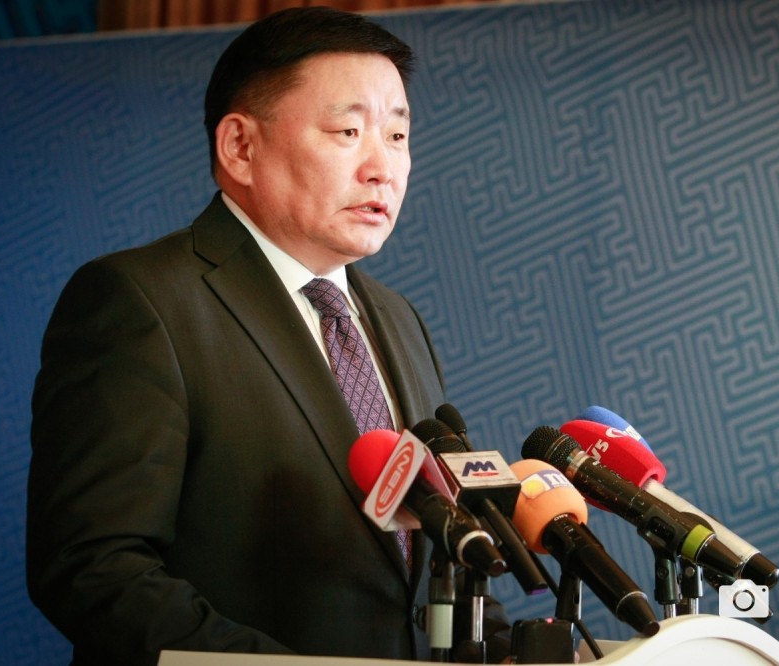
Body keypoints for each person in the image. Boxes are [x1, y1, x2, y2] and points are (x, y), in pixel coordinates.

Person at [27, 8, 508, 665]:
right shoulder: (141, 302)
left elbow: (435, 551)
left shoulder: (398, 319)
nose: (383, 167)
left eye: (398, 135)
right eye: (348, 131)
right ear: (240, 147)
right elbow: (93, 568)